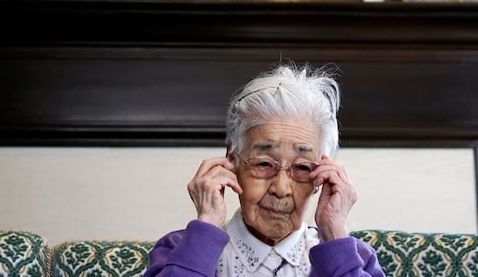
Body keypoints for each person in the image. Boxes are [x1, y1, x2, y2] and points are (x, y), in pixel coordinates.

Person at [144, 62, 385, 277]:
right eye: (263, 164)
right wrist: (207, 225)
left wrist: (334, 236)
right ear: (233, 160)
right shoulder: (181, 251)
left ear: (320, 176)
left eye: (302, 167)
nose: (281, 189)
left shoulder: (355, 260)